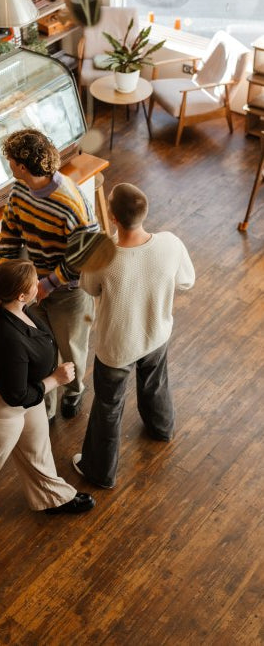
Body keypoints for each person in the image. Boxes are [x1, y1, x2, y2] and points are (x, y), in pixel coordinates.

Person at [0, 259, 95, 516]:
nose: (39, 283)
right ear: (21, 294)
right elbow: (16, 396)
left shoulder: (6, 304)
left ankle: (52, 497)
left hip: (21, 390)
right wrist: (56, 380)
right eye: (35, 282)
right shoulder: (8, 339)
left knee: (36, 443)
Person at [73, 183, 195, 489]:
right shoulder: (170, 243)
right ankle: (161, 428)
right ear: (145, 211)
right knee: (155, 384)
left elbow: (88, 289)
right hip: (156, 334)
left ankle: (99, 471)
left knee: (108, 407)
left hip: (117, 346)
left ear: (113, 218)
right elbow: (186, 282)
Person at [0, 129, 99, 422]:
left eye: (11, 161)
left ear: (22, 167)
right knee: (41, 351)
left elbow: (86, 255)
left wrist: (48, 284)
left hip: (69, 292)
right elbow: (10, 235)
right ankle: (47, 405)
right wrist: (6, 275)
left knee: (71, 349)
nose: (8, 165)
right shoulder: (18, 192)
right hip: (33, 287)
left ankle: (75, 391)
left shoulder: (71, 201)